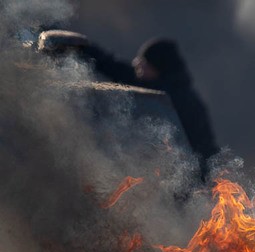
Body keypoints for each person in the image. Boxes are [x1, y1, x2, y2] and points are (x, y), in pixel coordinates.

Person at [42, 32, 220, 181]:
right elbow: (112, 66)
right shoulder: (150, 85)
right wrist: (83, 49)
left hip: (180, 182)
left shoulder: (183, 101)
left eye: (143, 60)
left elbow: (204, 150)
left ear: (157, 66)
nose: (136, 62)